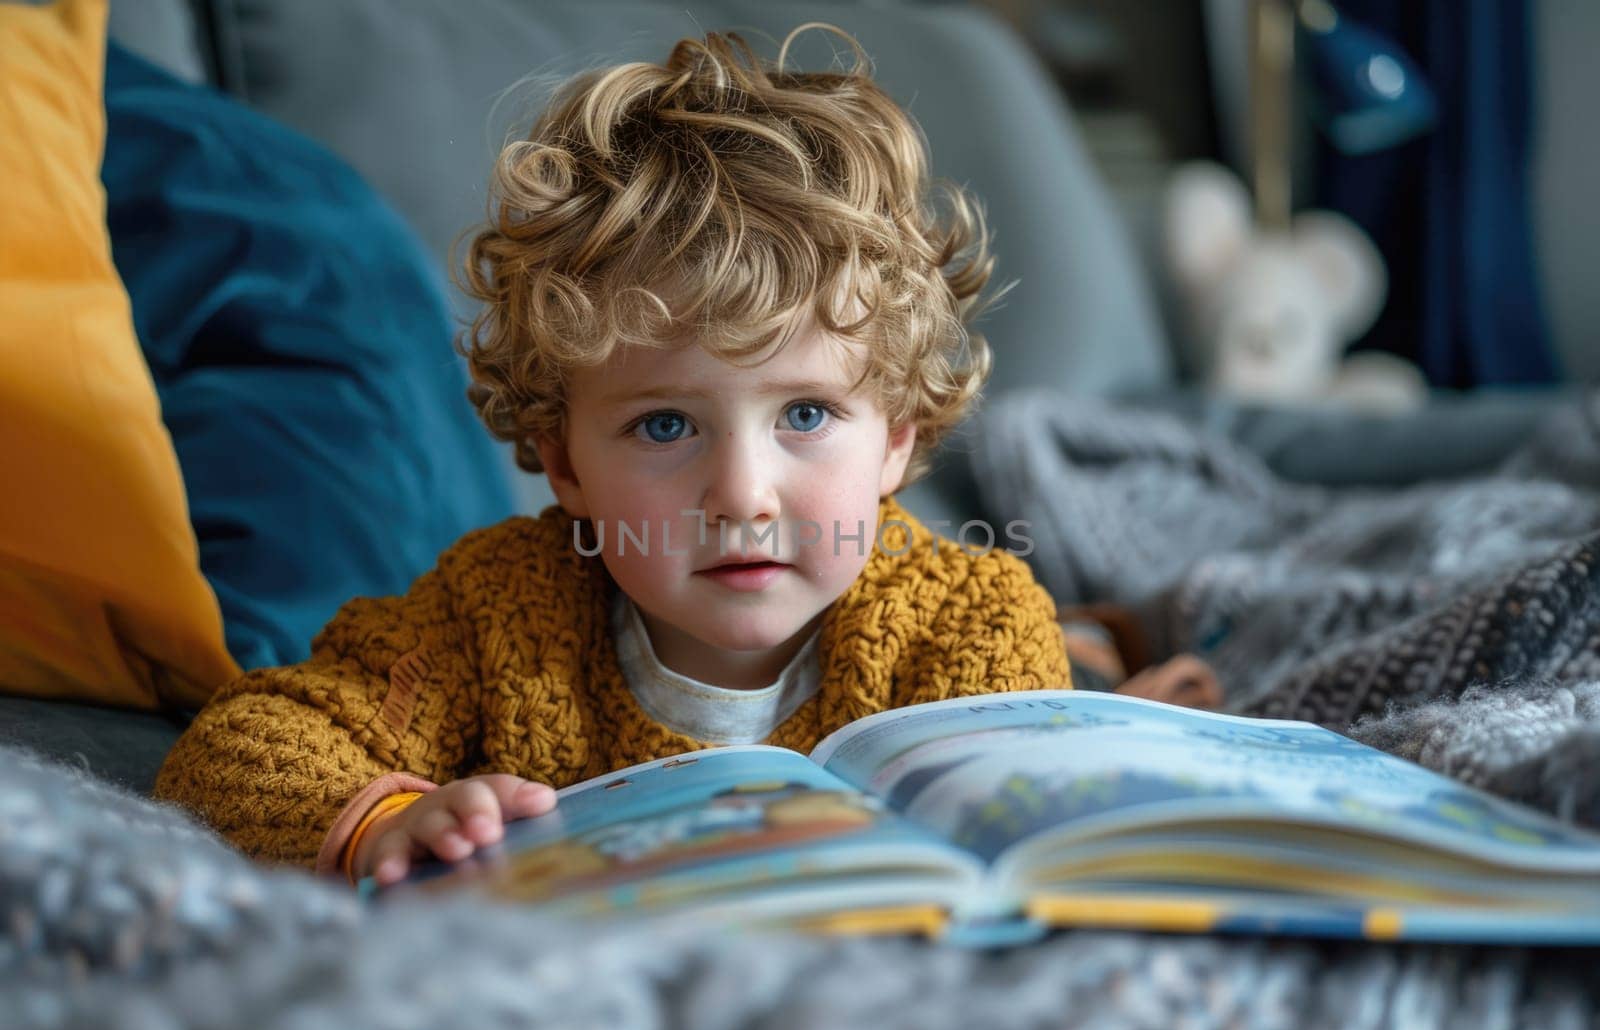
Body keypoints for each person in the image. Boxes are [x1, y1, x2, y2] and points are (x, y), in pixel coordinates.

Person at [154, 24, 1076, 887]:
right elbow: (239, 750)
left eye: (805, 412)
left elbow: (1038, 836)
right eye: (666, 426)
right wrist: (384, 822)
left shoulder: (971, 627)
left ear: (897, 440)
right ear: (564, 464)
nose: (744, 496)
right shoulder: (497, 615)